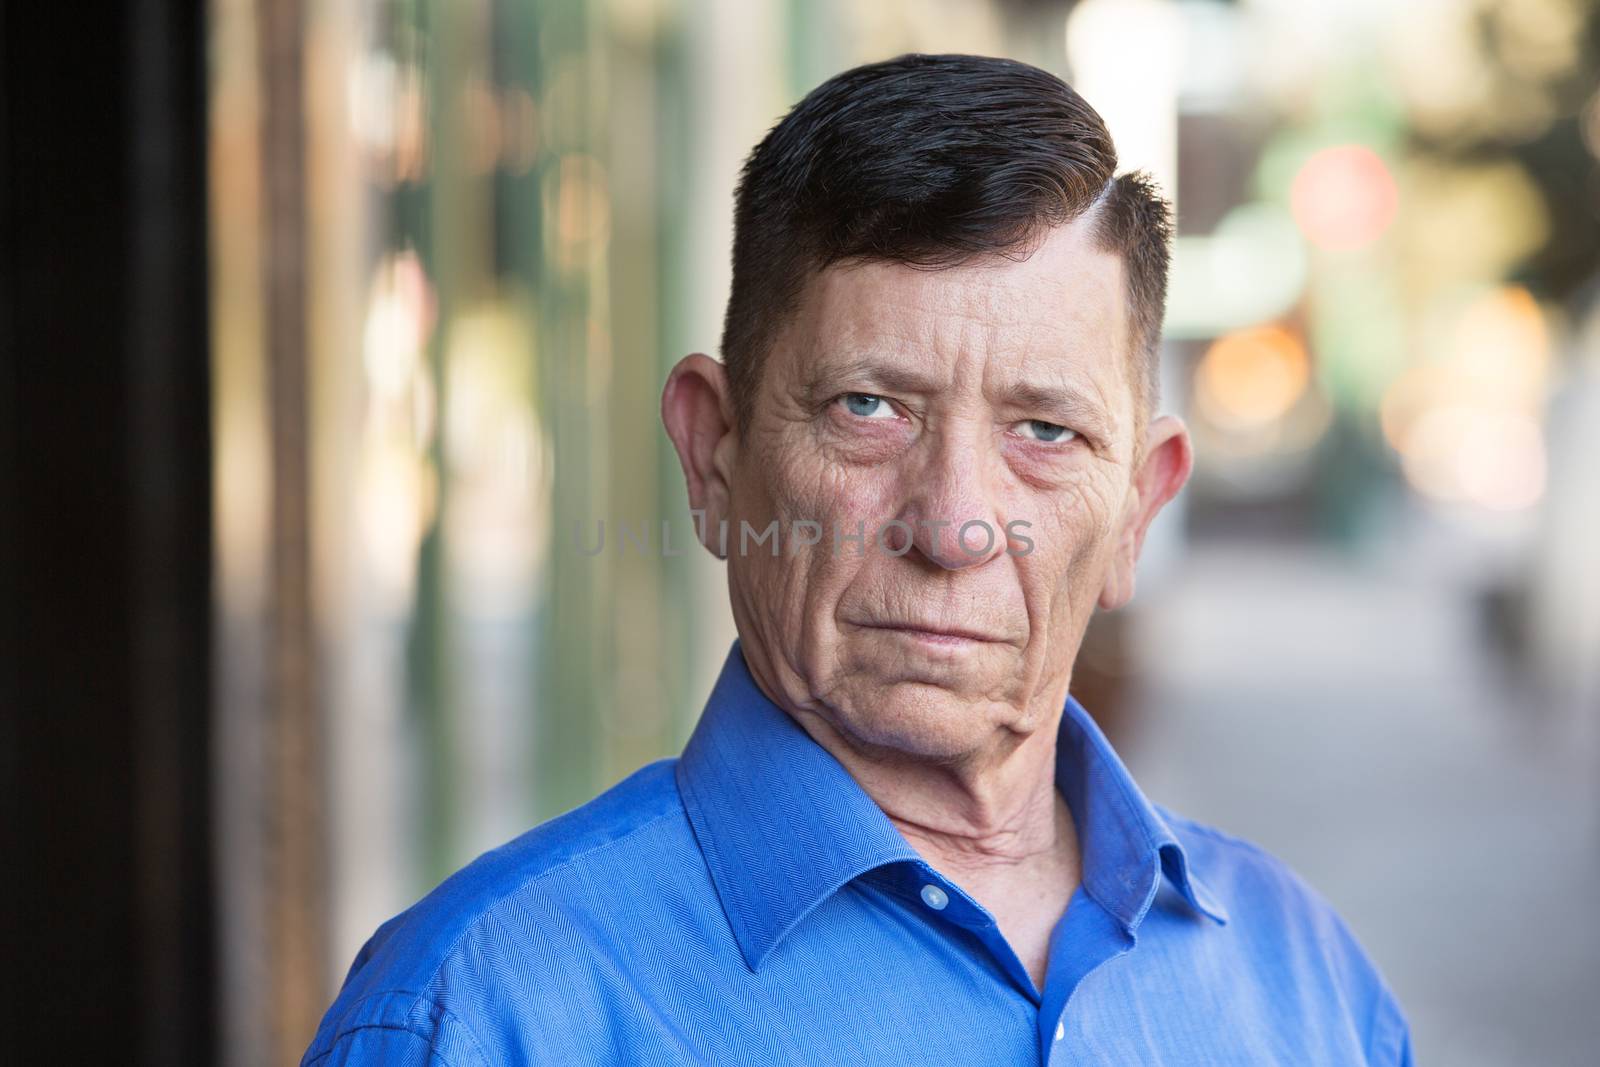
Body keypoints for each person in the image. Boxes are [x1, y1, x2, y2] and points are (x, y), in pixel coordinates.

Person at [303, 53, 1414, 1065]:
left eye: (1044, 431)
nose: (953, 526)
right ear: (711, 454)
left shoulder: (1307, 987)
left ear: (1136, 509)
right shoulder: (481, 1015)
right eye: (869, 406)